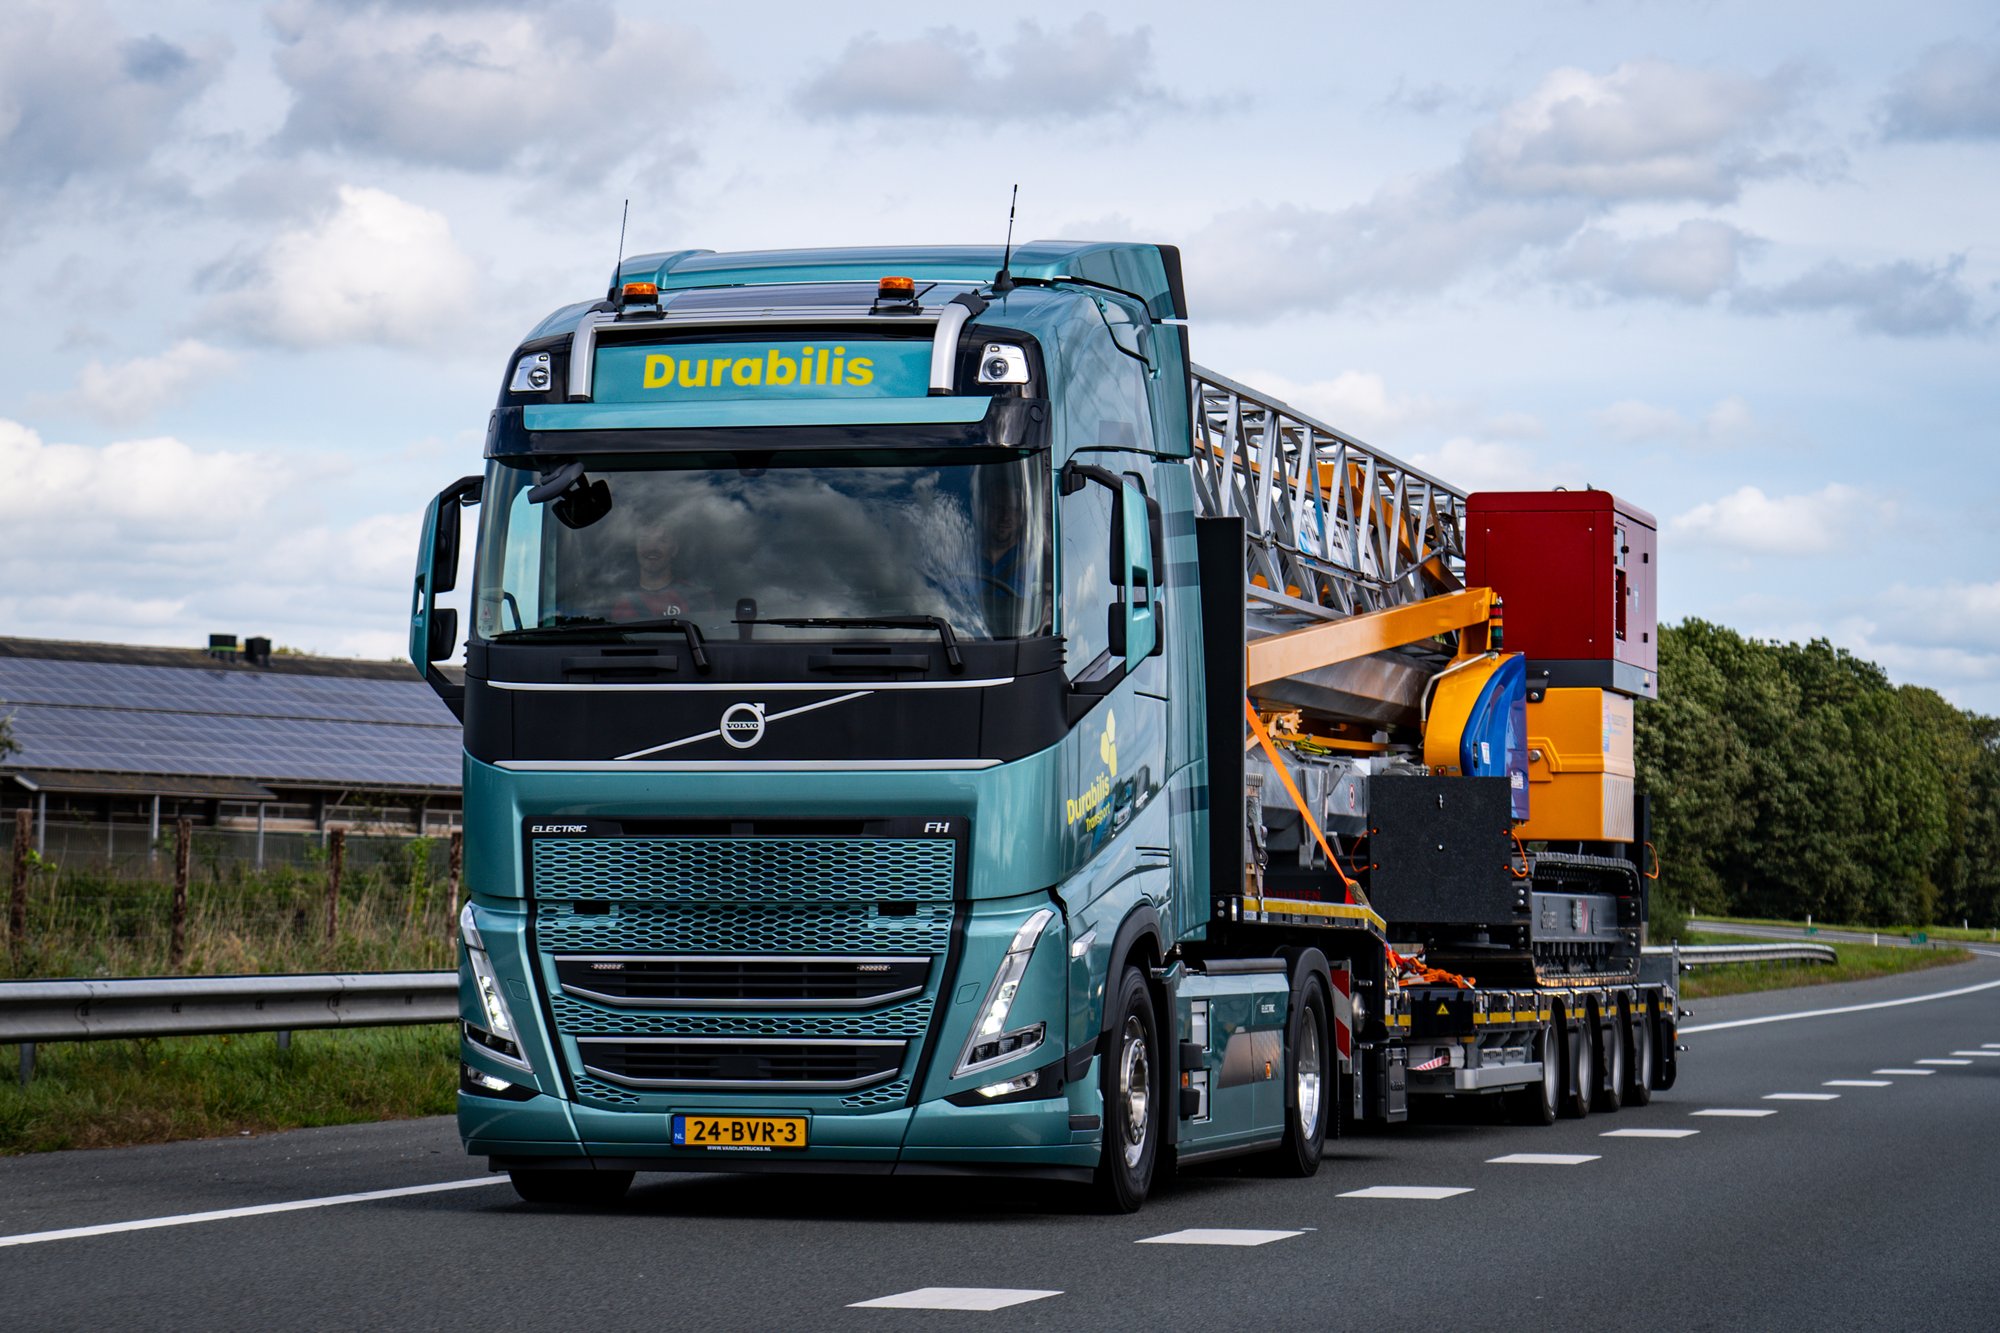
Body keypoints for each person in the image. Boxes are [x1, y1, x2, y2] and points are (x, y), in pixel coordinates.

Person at [611, 513, 693, 620]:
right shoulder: (614, 600)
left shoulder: (695, 597)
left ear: (674, 549)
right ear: (636, 548)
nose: (652, 547)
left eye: (661, 541)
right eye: (644, 540)